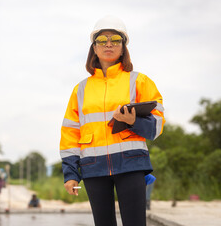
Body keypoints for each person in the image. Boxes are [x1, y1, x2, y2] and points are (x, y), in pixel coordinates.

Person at [60, 15, 165, 226]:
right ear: (94, 48)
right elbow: (70, 132)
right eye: (102, 40)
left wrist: (133, 121)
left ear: (123, 47)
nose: (109, 44)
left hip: (131, 164)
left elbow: (157, 126)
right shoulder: (80, 89)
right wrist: (71, 175)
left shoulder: (140, 81)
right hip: (93, 167)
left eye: (115, 39)